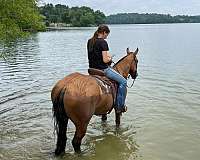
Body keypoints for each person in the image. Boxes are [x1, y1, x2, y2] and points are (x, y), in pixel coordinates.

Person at [87, 25, 127, 113]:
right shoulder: (103, 42)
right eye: (107, 35)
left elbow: (94, 56)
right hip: (102, 70)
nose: (107, 37)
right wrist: (110, 58)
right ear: (104, 32)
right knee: (124, 82)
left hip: (92, 69)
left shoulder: (90, 41)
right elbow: (105, 60)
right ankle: (119, 106)